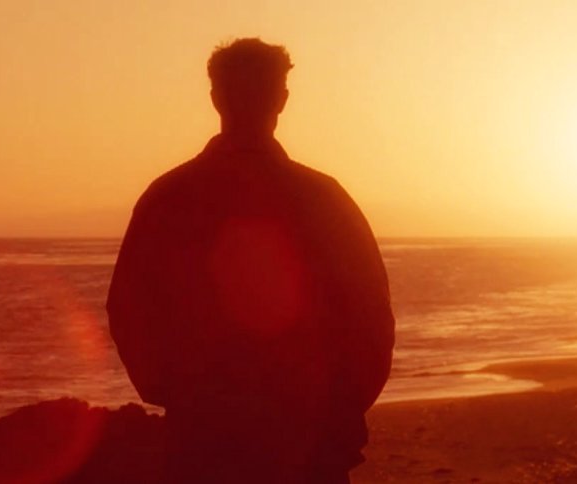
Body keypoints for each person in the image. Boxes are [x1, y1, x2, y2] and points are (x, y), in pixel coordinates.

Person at [106, 38, 395, 484]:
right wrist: (343, 406)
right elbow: (370, 316)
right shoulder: (323, 198)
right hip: (301, 437)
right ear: (282, 99)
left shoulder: (170, 197)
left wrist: (173, 392)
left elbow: (129, 309)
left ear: (214, 98)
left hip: (208, 436)